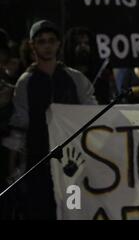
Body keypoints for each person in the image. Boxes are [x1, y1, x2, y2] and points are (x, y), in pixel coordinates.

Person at [2, 20, 97, 220]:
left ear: (59, 44)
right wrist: (13, 172)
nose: (47, 45)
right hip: (38, 166)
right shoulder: (26, 82)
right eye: (41, 41)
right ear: (32, 46)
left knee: (74, 213)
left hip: (73, 168)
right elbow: (19, 128)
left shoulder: (75, 78)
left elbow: (93, 115)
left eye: (51, 41)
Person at [63, 27, 115, 104]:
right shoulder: (62, 74)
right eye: (78, 43)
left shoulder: (100, 76)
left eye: (86, 43)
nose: (83, 46)